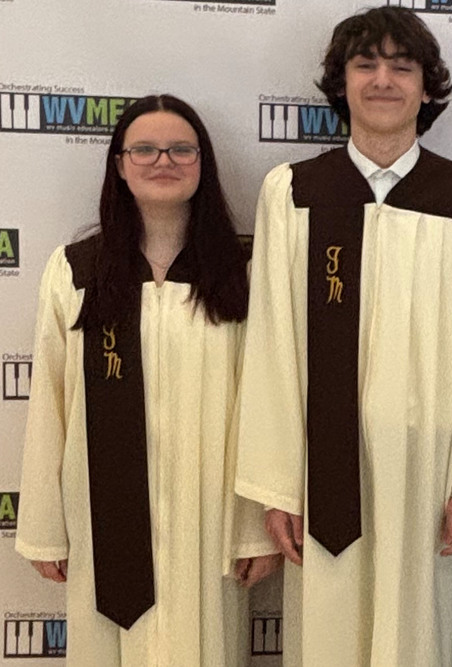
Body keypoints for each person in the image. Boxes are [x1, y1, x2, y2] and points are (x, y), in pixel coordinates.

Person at [234, 7, 452, 666]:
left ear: (425, 85)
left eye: (401, 66)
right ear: (341, 82)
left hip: (428, 465)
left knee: (420, 634)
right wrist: (275, 486)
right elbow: (270, 339)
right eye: (366, 64)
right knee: (327, 634)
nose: (383, 80)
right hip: (322, 465)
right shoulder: (294, 191)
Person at [14, 94, 279, 666]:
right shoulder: (77, 270)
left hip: (209, 516)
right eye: (145, 149)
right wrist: (44, 526)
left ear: (203, 163)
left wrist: (253, 528)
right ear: (119, 164)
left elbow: (263, 406)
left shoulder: (240, 273)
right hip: (103, 519)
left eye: (182, 149)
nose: (164, 161)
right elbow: (51, 404)